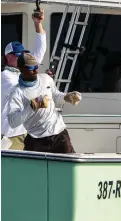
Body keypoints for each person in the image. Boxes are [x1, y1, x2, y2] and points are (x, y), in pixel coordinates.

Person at [6, 53, 82, 154]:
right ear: (21, 69)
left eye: (36, 67)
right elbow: (13, 121)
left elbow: (56, 95)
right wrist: (33, 106)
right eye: (31, 68)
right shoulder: (17, 92)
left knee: (69, 167)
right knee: (30, 169)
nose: (35, 71)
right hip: (36, 139)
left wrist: (67, 97)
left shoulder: (46, 78)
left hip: (59, 134)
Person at [1, 9, 47, 150]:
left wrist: (37, 24)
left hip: (25, 131)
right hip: (9, 135)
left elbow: (40, 51)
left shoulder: (21, 71)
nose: (21, 57)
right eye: (17, 55)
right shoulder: (5, 77)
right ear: (8, 57)